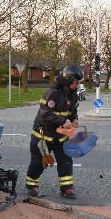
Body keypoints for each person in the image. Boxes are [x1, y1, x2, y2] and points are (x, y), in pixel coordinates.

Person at [26, 65, 82, 199]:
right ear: (68, 80)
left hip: (61, 136)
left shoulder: (73, 95)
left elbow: (73, 111)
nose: (78, 85)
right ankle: (31, 185)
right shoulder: (52, 93)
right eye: (76, 82)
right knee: (39, 162)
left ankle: (66, 188)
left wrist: (74, 119)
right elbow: (45, 113)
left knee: (66, 161)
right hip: (44, 135)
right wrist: (63, 121)